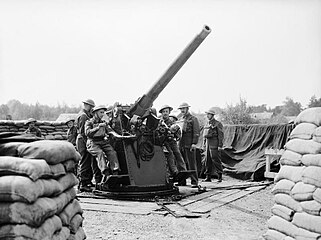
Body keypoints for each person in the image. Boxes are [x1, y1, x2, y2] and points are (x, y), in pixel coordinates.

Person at [85, 105, 120, 189]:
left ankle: (115, 171)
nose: (102, 114)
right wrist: (98, 127)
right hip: (92, 142)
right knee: (100, 153)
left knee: (112, 152)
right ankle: (106, 172)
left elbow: (110, 131)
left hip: (102, 141)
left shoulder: (104, 122)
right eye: (101, 112)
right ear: (95, 113)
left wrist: (119, 136)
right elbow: (87, 133)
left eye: (103, 112)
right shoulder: (89, 122)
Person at [75, 99, 102, 192]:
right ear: (87, 105)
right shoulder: (83, 116)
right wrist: (89, 143)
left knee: (87, 161)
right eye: (91, 106)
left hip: (83, 140)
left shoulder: (84, 114)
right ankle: (83, 183)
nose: (91, 108)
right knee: (85, 162)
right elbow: (83, 132)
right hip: (82, 140)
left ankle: (87, 182)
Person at [159, 105, 187, 180]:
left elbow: (177, 131)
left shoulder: (171, 122)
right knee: (170, 155)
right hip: (165, 142)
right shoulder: (160, 122)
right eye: (164, 112)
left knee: (178, 154)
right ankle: (174, 171)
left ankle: (183, 171)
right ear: (161, 113)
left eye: (166, 112)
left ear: (169, 113)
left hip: (172, 141)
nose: (165, 113)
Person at [178, 102, 200, 188]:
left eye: (184, 108)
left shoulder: (193, 119)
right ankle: (182, 181)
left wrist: (194, 143)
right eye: (181, 109)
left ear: (187, 109)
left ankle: (194, 181)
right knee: (181, 163)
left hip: (189, 144)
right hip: (181, 144)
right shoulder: (180, 119)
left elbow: (196, 132)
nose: (182, 110)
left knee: (191, 163)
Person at [202, 107, 224, 182]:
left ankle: (220, 176)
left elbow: (221, 135)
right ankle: (208, 176)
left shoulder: (218, 124)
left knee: (216, 159)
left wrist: (220, 145)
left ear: (212, 115)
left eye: (209, 114)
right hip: (208, 143)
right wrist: (204, 145)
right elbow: (204, 136)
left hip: (214, 142)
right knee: (207, 160)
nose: (207, 115)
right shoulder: (206, 124)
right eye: (207, 114)